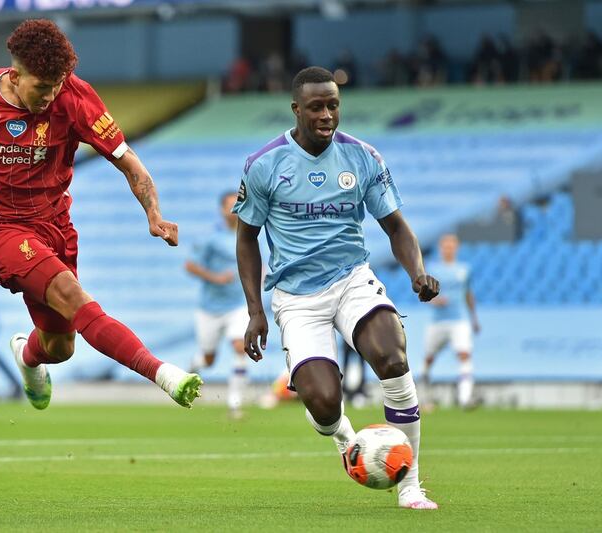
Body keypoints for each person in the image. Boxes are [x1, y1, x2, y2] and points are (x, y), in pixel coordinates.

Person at [0, 19, 202, 411]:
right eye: (43, 87)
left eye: (58, 84)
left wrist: (154, 214)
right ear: (15, 76)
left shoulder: (76, 99)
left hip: (53, 225)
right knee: (72, 296)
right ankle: (163, 374)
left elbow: (128, 162)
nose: (51, 95)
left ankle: (27, 359)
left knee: (59, 347)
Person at [233, 67, 440, 510]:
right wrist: (256, 311)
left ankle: (411, 486)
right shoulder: (264, 164)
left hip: (351, 279)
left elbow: (396, 226)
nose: (327, 114)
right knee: (324, 403)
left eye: (333, 105)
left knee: (393, 356)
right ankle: (347, 441)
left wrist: (416, 273)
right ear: (296, 109)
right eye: (317, 107)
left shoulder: (363, 157)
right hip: (296, 297)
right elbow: (246, 239)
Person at [185, 191, 249, 419]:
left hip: (237, 305)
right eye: (229, 206)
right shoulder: (210, 237)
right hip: (209, 308)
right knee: (209, 360)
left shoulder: (248, 233)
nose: (234, 210)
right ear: (222, 210)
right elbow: (190, 266)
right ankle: (193, 366)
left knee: (240, 347)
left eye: (237, 205)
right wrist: (215, 277)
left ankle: (234, 404)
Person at [421, 234, 480, 409]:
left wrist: (474, 318)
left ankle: (465, 398)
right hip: (437, 321)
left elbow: (468, 294)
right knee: (429, 359)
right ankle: (423, 397)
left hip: (459, 320)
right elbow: (423, 294)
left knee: (464, 354)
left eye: (451, 246)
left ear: (456, 248)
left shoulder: (464, 269)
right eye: (445, 246)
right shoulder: (432, 269)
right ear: (441, 248)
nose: (448, 249)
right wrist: (433, 301)